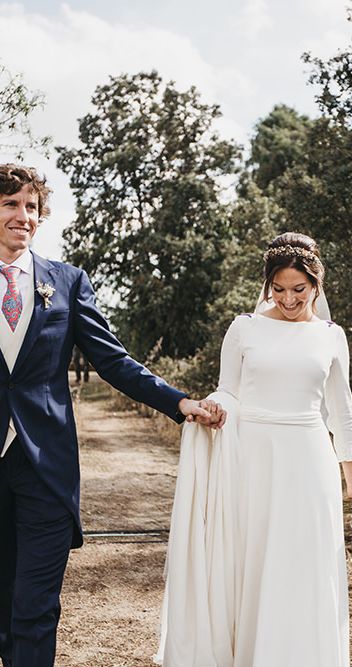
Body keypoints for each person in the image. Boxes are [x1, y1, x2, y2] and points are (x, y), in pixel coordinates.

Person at [0, 164, 226, 667]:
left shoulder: (68, 282)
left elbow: (113, 360)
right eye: (10, 204)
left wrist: (179, 401)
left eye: (31, 207)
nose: (23, 216)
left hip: (46, 468)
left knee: (34, 607)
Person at [156, 232, 352, 667]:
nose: (289, 299)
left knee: (302, 565)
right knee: (252, 563)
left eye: (299, 289)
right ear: (267, 285)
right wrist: (213, 407)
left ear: (317, 285)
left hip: (309, 460)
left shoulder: (331, 336)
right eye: (279, 289)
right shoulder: (245, 328)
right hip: (251, 458)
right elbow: (228, 390)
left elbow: (340, 412)